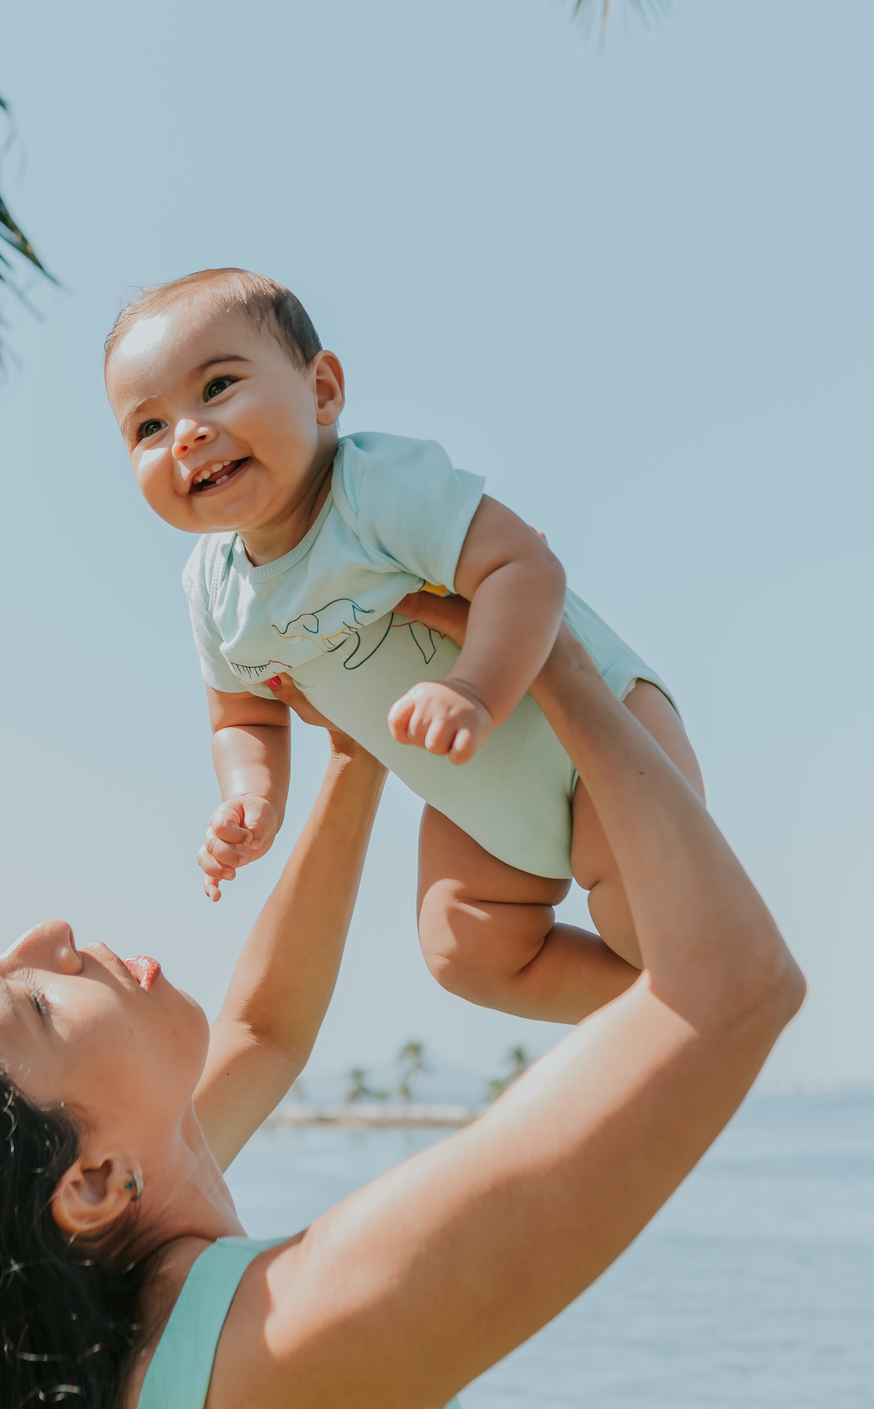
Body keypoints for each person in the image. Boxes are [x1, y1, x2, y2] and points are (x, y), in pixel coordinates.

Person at [0, 619, 804, 1409]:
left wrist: (357, 746)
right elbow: (732, 988)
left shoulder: (97, 1371)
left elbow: (266, 1026)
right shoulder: (289, 1343)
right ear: (94, 1181)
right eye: (33, 999)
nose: (50, 933)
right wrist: (556, 658)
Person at [104, 268, 706, 1023]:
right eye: (148, 428)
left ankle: (703, 980)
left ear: (322, 391)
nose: (185, 432)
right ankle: (671, 1015)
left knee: (647, 923)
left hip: (594, 736)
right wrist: (251, 795)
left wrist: (476, 691)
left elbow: (523, 566)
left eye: (218, 387)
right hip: (473, 798)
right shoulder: (213, 589)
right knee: (466, 949)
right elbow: (244, 717)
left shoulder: (373, 490)